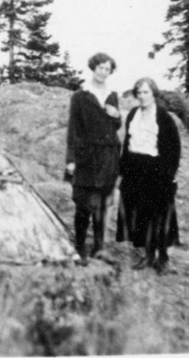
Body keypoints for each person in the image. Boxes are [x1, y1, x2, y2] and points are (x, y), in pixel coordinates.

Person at [116, 77, 181, 274]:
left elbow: (174, 148)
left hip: (157, 170)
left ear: (154, 94)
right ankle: (147, 254)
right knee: (140, 214)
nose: (142, 96)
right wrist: (123, 172)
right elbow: (128, 144)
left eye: (146, 92)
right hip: (135, 169)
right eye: (139, 93)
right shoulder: (133, 114)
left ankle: (163, 258)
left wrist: (169, 174)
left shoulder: (163, 116)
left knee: (159, 214)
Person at [65, 53, 121, 264]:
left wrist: (116, 115)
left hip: (108, 156)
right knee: (83, 204)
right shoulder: (80, 96)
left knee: (102, 205)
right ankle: (80, 249)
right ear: (93, 68)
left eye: (107, 69)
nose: (103, 73)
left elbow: (116, 126)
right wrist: (70, 159)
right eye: (100, 68)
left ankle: (99, 248)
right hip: (87, 156)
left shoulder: (112, 95)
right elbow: (73, 128)